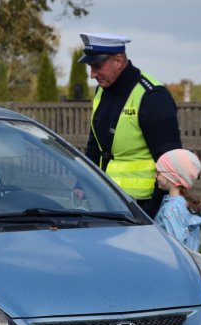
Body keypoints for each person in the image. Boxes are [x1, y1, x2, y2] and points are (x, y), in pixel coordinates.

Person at [77, 33, 182, 218]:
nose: (92, 74)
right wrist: (82, 184)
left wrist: (149, 215)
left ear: (118, 60)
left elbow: (171, 164)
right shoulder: (102, 90)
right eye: (90, 67)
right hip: (105, 203)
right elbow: (95, 147)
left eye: (97, 66)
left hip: (141, 209)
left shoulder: (152, 97)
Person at [153, 149, 201, 251]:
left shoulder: (171, 209)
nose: (155, 176)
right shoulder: (185, 203)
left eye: (159, 172)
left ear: (172, 176)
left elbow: (175, 248)